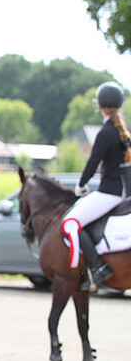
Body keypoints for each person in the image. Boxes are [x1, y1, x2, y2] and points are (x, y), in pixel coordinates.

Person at [61, 81, 131, 292]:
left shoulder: (106, 133)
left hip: (111, 192)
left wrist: (81, 185)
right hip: (124, 190)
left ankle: (96, 268)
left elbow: (93, 164)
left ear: (99, 106)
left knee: (70, 223)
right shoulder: (125, 130)